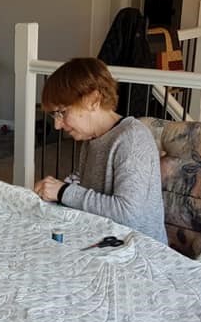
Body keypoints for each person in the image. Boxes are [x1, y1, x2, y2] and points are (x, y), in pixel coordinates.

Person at [33, 57, 168, 245]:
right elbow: (89, 193)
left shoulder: (132, 139)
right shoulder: (92, 139)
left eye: (62, 112)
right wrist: (57, 192)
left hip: (141, 252)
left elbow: (128, 214)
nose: (57, 125)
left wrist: (63, 192)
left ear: (93, 100)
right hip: (105, 243)